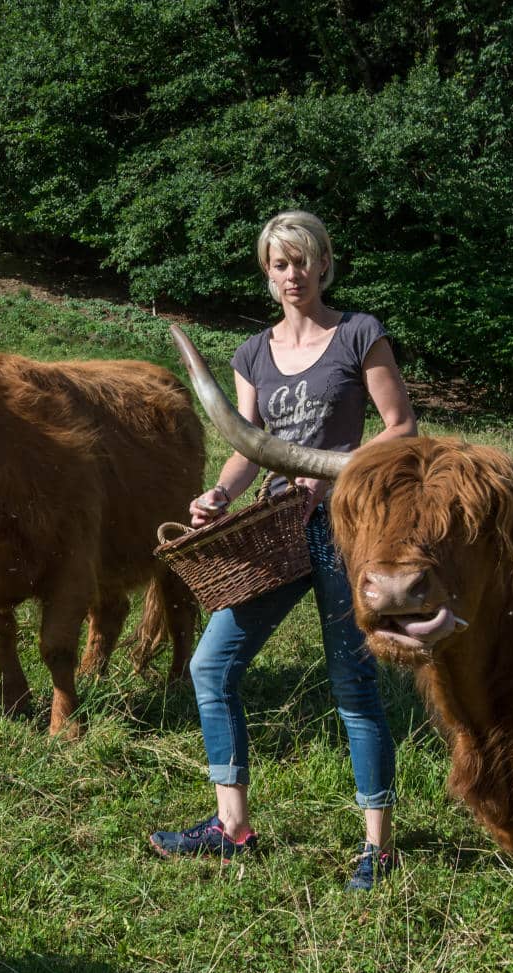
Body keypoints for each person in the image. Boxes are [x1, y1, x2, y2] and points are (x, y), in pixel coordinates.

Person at [148, 210, 418, 891]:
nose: (292, 275)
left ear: (324, 264)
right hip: (274, 527)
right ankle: (231, 827)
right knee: (213, 664)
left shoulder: (360, 334)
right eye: (279, 264)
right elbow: (248, 446)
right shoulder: (253, 354)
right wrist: (218, 494)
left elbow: (402, 427)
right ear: (267, 274)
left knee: (353, 685)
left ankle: (376, 846)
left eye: (303, 261)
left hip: (344, 525)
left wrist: (330, 464)